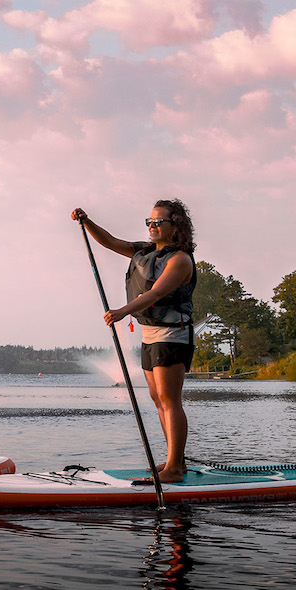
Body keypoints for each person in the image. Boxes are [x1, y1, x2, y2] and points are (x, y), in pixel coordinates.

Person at [71, 200, 197, 483]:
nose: (152, 226)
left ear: (175, 226)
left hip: (172, 334)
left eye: (158, 222)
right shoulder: (144, 250)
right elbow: (110, 242)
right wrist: (87, 222)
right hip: (150, 334)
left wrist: (120, 312)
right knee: (157, 399)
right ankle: (174, 461)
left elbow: (155, 294)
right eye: (149, 221)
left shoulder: (180, 260)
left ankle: (175, 468)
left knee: (169, 400)